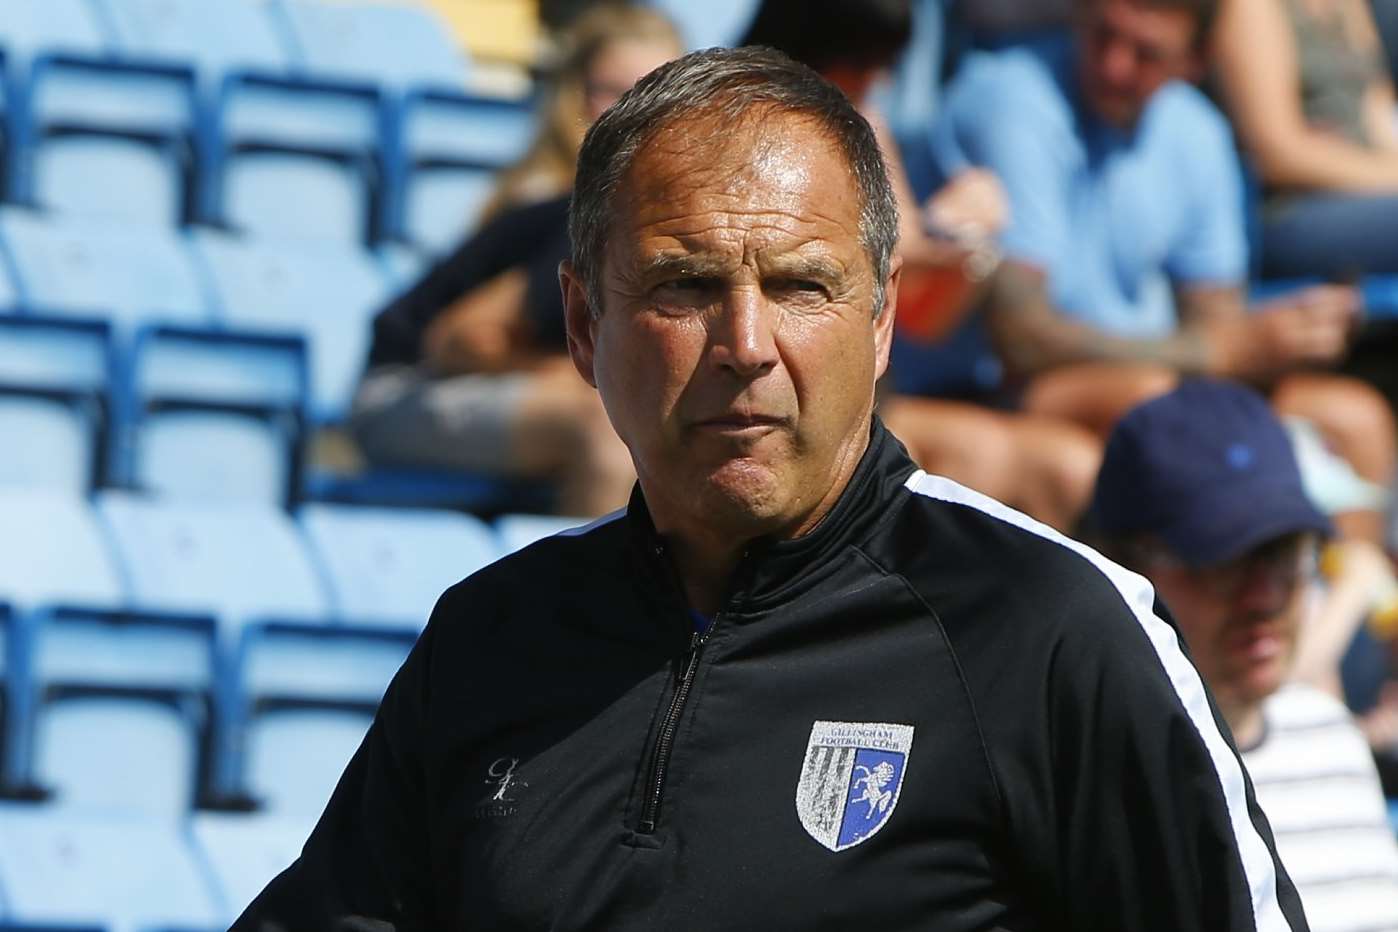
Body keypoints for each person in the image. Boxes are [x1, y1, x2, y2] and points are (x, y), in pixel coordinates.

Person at [236, 47, 1308, 929]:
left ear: (882, 321)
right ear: (579, 325)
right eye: (685, 285)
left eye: (801, 285)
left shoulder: (1049, 630)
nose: (744, 344)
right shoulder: (491, 637)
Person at [932, 0, 1397, 545]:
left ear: (1196, 60)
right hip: (1004, 386)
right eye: (1103, 35)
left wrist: (1280, 338)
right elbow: (1023, 339)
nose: (1114, 66)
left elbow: (1218, 320)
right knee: (1154, 403)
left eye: (1146, 52)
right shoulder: (1012, 100)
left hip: (1151, 373)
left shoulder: (1197, 133)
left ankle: (1350, 617)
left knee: (1354, 419)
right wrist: (1220, 352)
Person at [741, 0, 1103, 531]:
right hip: (784, 395)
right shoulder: (738, 126)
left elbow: (916, 310)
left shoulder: (861, 118)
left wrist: (967, 243)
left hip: (876, 398)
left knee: (1066, 466)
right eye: (861, 61)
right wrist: (942, 236)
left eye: (883, 63)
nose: (875, 78)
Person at [1088, 379, 1398, 931]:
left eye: (1283, 553)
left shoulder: (1328, 731)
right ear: (1123, 569)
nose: (1263, 597)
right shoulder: (1090, 774)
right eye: (1219, 562)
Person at [349, 4, 680, 516]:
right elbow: (459, 339)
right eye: (612, 91)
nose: (631, 117)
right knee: (610, 423)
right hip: (407, 392)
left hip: (494, 396)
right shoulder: (573, 207)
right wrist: (577, 374)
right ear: (572, 95)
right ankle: (602, 599)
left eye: (657, 96)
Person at [1210, 0, 1398, 279]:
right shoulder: (1249, 7)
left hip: (1372, 193)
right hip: (1294, 207)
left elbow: (1380, 117)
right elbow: (1278, 155)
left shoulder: (1350, 6)